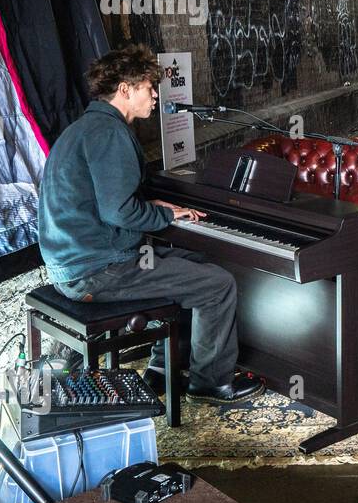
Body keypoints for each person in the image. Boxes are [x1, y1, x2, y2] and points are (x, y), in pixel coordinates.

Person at [36, 45, 262, 404]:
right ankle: (210, 383)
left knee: (198, 261)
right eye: (147, 87)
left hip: (75, 262)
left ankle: (162, 367)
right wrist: (166, 214)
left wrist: (149, 205)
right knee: (217, 285)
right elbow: (119, 213)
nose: (155, 95)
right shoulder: (111, 134)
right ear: (125, 89)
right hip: (96, 271)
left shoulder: (83, 128)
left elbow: (105, 200)